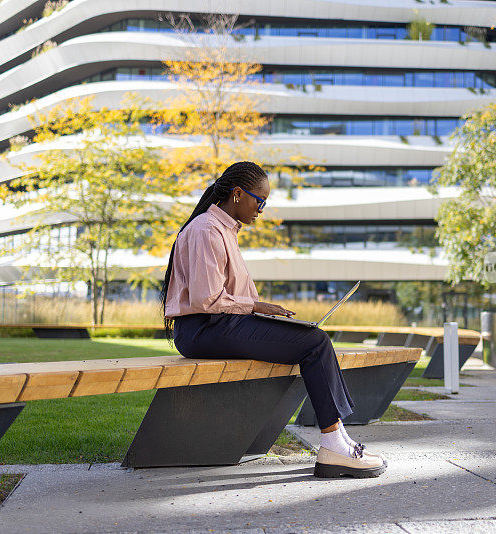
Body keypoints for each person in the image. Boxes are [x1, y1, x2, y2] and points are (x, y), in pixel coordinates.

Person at [160, 161, 386, 478]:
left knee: (313, 339)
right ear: (237, 194)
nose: (262, 209)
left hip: (216, 327)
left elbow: (223, 297)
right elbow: (205, 299)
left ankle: (341, 440)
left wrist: (258, 308)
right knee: (314, 343)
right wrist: (256, 307)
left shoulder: (223, 230)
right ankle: (335, 445)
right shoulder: (206, 231)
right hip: (203, 329)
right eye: (260, 201)